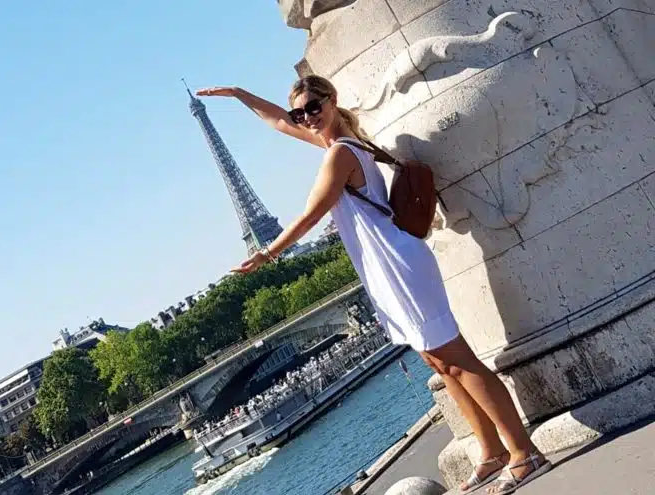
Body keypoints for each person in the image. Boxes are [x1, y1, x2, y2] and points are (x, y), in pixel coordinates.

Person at [196, 75, 552, 495]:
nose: (306, 118)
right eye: (300, 112)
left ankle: (522, 453)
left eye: (314, 107)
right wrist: (240, 94)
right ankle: (490, 452)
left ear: (332, 101)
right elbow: (278, 122)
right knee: (440, 364)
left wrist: (267, 254)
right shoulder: (341, 143)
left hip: (398, 265)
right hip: (387, 267)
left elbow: (312, 215)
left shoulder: (339, 155)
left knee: (458, 362)